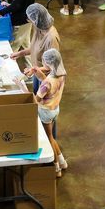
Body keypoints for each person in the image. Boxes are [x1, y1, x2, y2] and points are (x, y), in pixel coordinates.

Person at [23, 47, 67, 175]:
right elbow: (49, 87)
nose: (42, 64)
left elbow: (35, 100)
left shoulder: (47, 83)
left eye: (43, 62)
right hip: (55, 108)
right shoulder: (62, 74)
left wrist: (21, 86)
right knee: (52, 137)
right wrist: (38, 72)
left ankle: (56, 167)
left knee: (49, 139)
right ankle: (62, 161)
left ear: (48, 64)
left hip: (45, 111)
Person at [11, 3, 60, 74]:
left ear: (37, 21)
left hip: (46, 77)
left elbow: (52, 66)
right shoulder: (39, 29)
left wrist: (33, 69)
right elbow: (36, 48)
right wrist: (20, 53)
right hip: (37, 70)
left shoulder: (51, 38)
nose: (29, 22)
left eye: (30, 20)